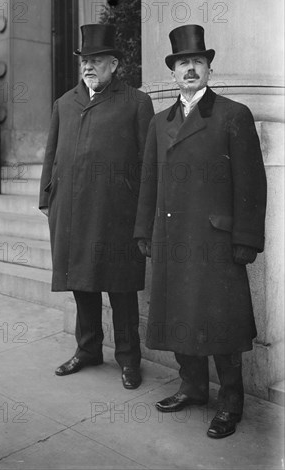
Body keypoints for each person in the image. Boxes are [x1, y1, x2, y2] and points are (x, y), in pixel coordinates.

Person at [134, 24, 267, 438]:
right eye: (182, 63)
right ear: (173, 72)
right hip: (172, 238)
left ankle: (230, 400)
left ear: (209, 69)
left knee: (221, 321)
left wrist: (245, 239)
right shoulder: (159, 122)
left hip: (215, 240)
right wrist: (144, 230)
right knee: (179, 316)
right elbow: (148, 181)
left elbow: (251, 184)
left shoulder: (233, 114)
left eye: (197, 62)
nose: (190, 69)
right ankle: (192, 387)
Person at [39, 24, 154, 389]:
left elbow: (148, 163)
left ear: (114, 64)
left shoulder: (136, 102)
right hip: (71, 210)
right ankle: (88, 350)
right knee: (82, 286)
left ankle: (128, 360)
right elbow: (51, 153)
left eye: (97, 60)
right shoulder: (64, 103)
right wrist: (47, 197)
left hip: (117, 211)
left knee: (120, 289)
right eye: (85, 60)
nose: (89, 66)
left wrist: (143, 213)